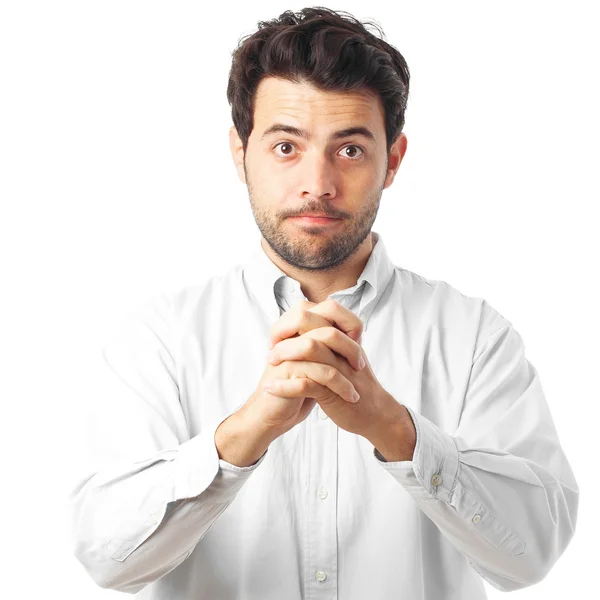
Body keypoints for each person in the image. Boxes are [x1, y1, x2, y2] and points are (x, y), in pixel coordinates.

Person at [67, 7, 579, 598]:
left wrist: (395, 430)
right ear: (241, 153)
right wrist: (245, 434)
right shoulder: (160, 338)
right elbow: (107, 559)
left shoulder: (473, 336)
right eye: (286, 147)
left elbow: (532, 556)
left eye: (351, 150)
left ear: (394, 159)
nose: (318, 183)